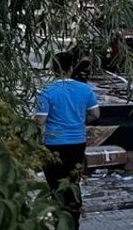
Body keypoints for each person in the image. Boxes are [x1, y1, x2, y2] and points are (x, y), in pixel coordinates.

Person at [35, 51, 100, 228]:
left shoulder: (47, 91)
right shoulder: (85, 89)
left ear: (53, 68)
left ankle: (59, 223)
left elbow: (40, 121)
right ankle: (73, 223)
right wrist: (79, 120)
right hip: (77, 143)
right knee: (73, 184)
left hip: (53, 145)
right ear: (71, 68)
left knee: (56, 187)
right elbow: (95, 114)